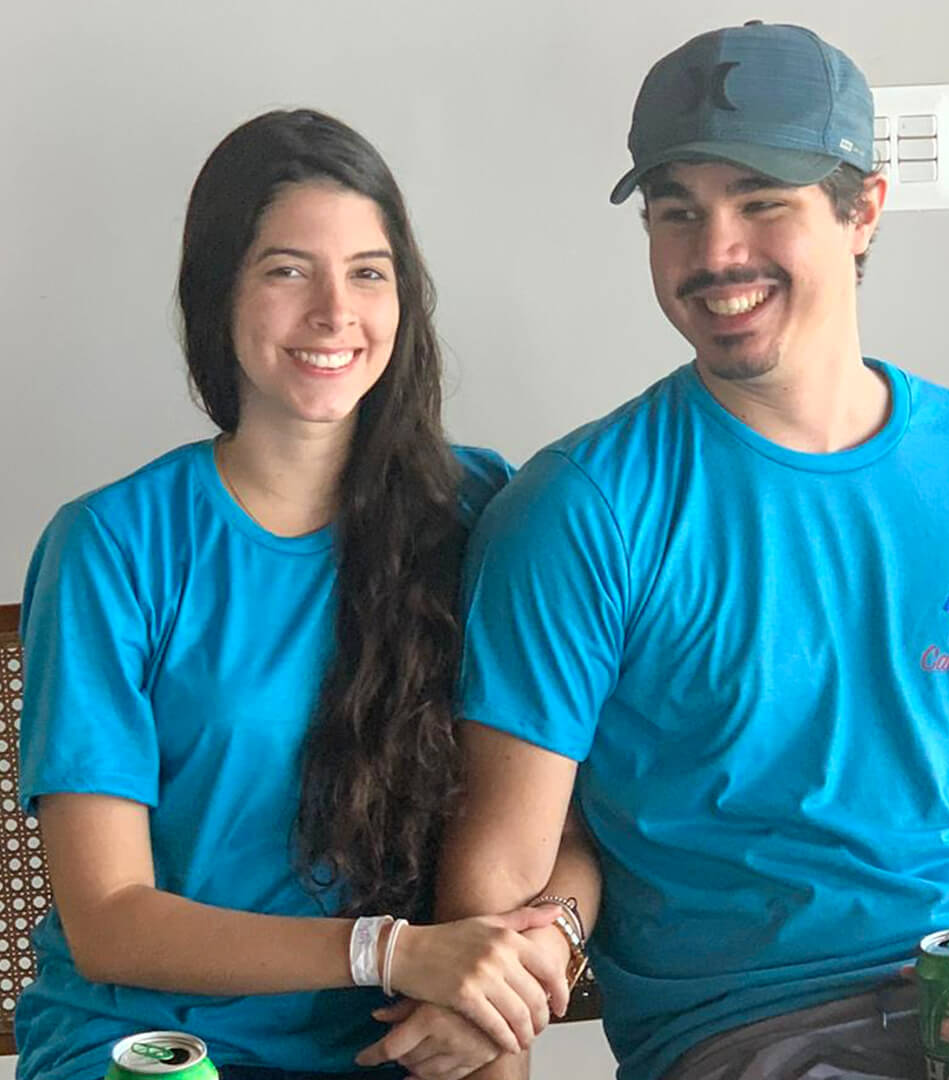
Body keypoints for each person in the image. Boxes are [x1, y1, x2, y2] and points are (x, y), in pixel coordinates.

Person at [434, 22, 949, 1080]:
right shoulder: (579, 511)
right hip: (758, 1034)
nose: (715, 254)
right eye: (677, 211)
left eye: (761, 201)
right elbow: (494, 890)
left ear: (864, 209)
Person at [16, 109, 591, 1080]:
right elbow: (109, 920)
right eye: (287, 270)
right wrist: (390, 951)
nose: (334, 312)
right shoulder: (111, 546)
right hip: (153, 1049)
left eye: (368, 272)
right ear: (218, 292)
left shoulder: (486, 513)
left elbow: (571, 824)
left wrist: (535, 960)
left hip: (399, 1047)